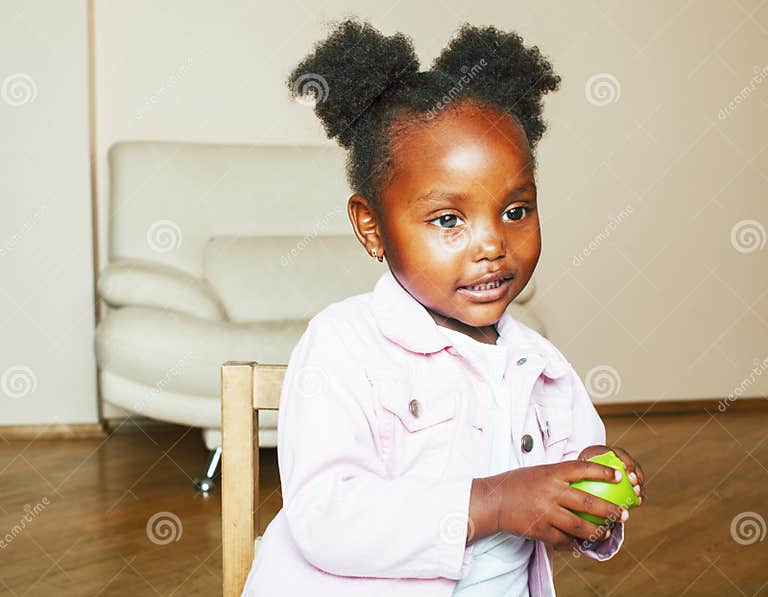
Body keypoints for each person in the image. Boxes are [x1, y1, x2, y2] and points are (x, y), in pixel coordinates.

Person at [241, 16, 646, 597]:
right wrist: (493, 501)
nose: (491, 245)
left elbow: (564, 495)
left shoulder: (542, 366)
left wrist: (593, 485)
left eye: (515, 210)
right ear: (371, 227)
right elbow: (324, 518)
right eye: (448, 220)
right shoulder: (343, 345)